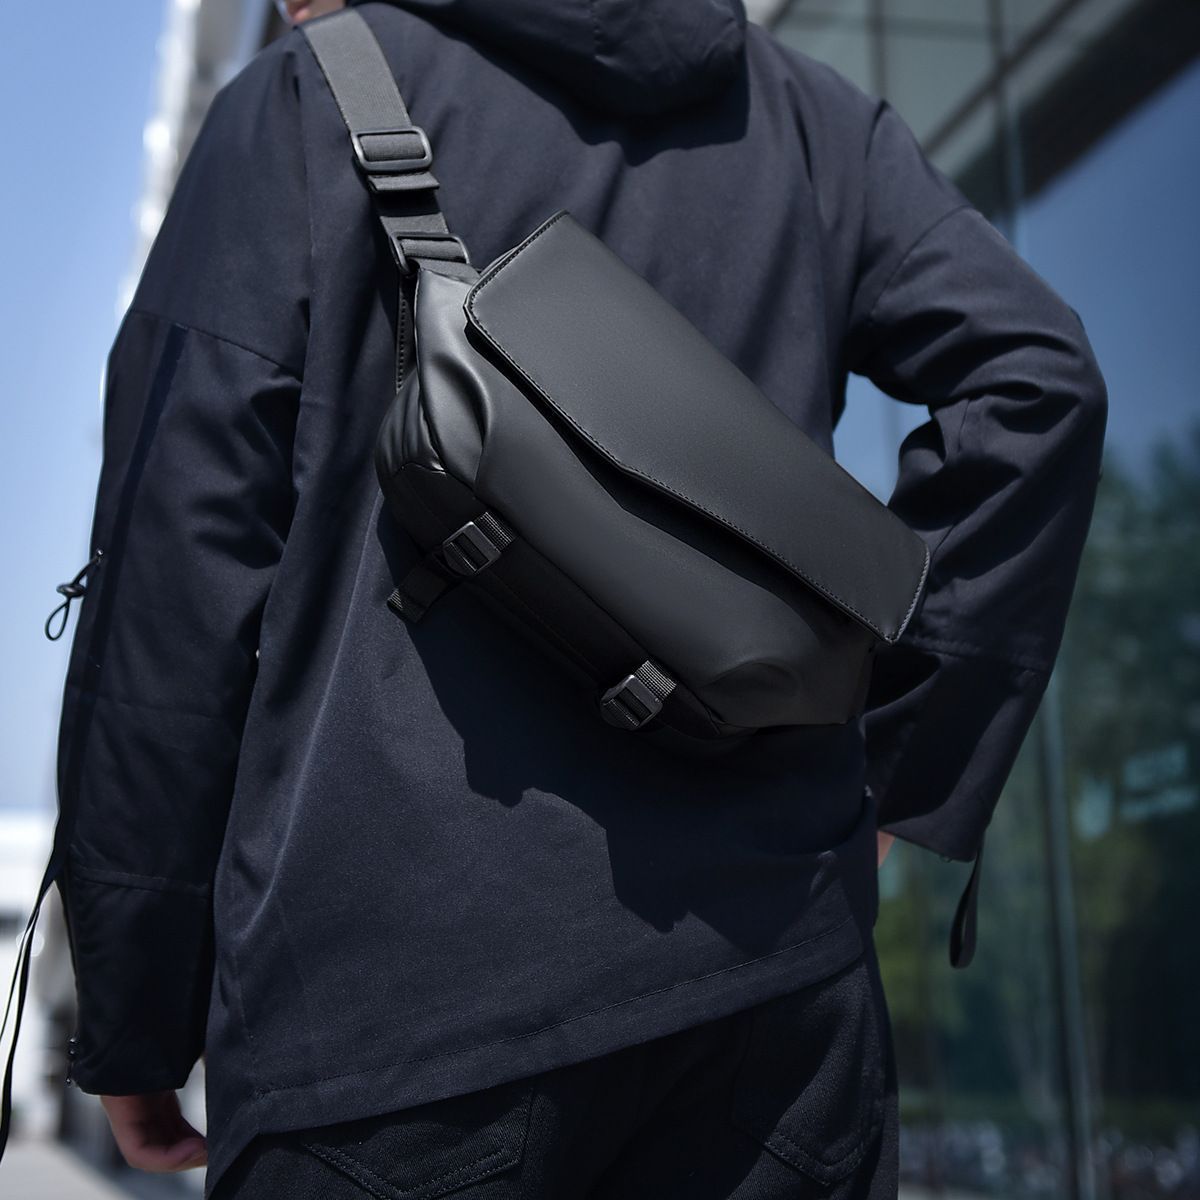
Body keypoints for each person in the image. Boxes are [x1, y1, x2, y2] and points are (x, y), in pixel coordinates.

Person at [42, 0, 1108, 1196]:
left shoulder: (306, 102)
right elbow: (1036, 378)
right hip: (775, 1003)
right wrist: (904, 755)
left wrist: (135, 1008)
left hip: (386, 1030)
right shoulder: (812, 123)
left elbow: (173, 582)